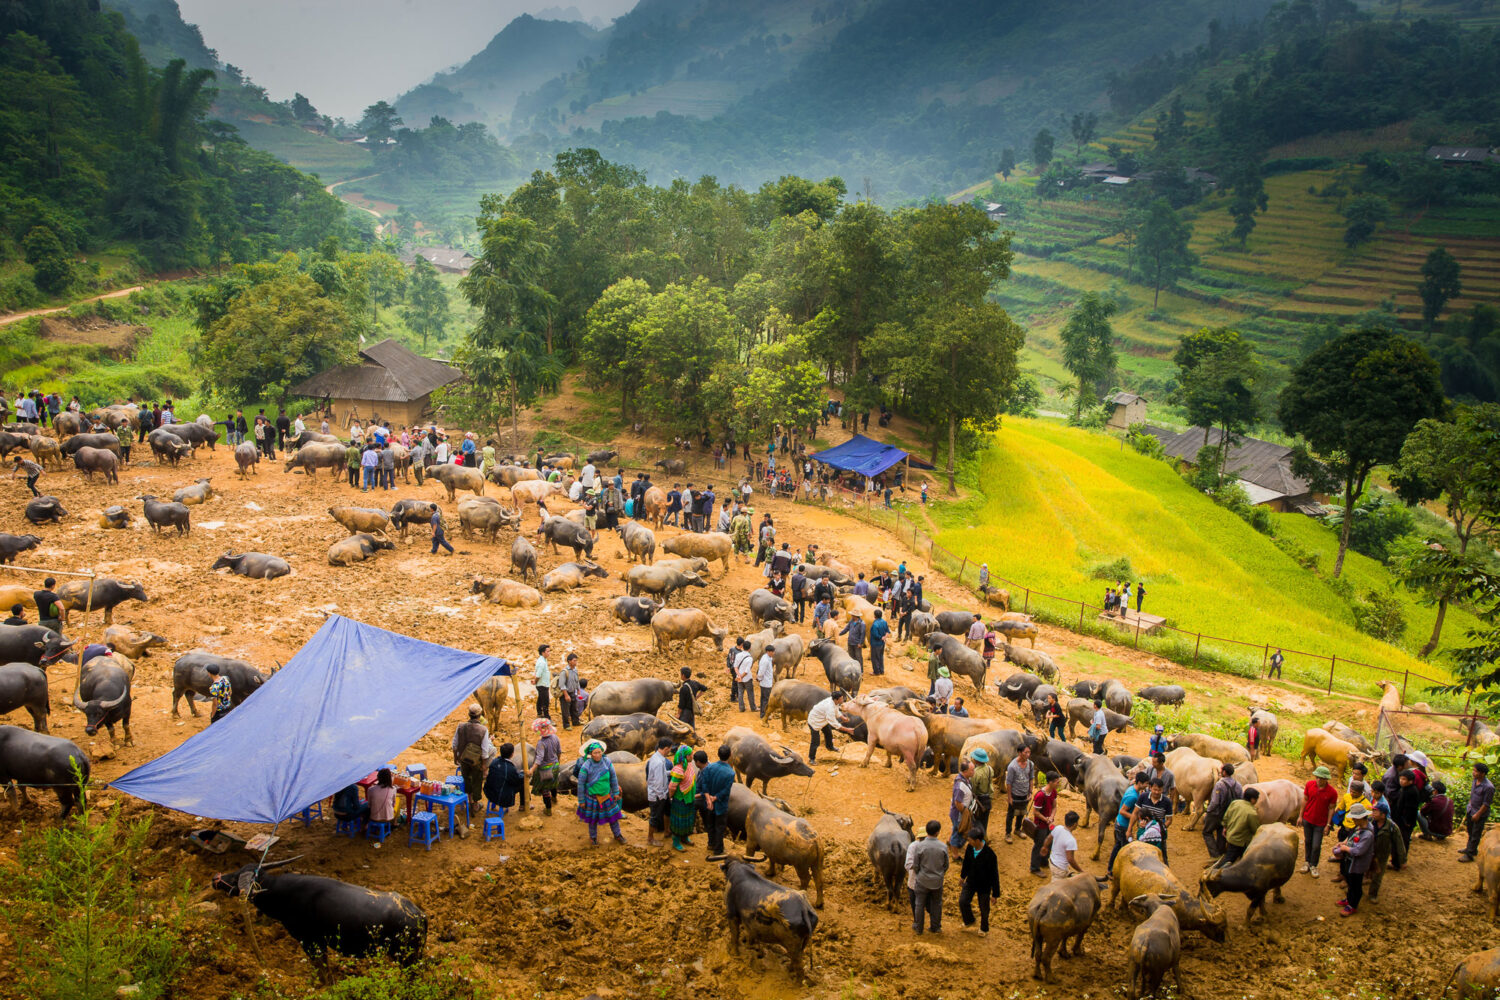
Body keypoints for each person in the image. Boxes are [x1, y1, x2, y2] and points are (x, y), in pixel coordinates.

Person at [575, 741, 626, 845]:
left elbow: (613, 777)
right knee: (592, 820)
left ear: (602, 752)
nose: (598, 755)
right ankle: (593, 837)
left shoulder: (607, 762)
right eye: (595, 753)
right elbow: (580, 784)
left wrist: (616, 791)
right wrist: (581, 800)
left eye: (599, 752)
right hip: (592, 798)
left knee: (613, 817)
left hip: (607, 796)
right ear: (590, 754)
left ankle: (618, 835)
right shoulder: (586, 766)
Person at [1331, 803, 1374, 916]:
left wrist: (1345, 848)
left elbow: (1359, 851)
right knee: (1350, 880)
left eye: (1355, 818)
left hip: (1358, 864)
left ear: (1360, 818)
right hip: (1350, 861)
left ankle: (1353, 905)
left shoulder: (1368, 834)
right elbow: (1351, 836)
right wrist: (1344, 842)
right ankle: (1349, 899)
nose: (1353, 820)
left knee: (1356, 884)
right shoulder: (1358, 827)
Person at [907, 819, 948, 934]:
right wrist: (938, 874)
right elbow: (946, 865)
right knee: (936, 904)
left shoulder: (919, 846)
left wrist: (921, 874)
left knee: (919, 904)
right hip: (937, 881)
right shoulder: (943, 847)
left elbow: (915, 865)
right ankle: (935, 927)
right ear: (937, 832)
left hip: (922, 880)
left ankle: (919, 928)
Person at [452, 705, 493, 816]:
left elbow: (454, 745)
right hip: (476, 761)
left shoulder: (460, 726)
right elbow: (485, 751)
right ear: (480, 716)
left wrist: (456, 758)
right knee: (477, 780)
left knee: (466, 779)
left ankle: (469, 800)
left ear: (469, 715)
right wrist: (484, 765)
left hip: (463, 759)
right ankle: (475, 804)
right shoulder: (483, 730)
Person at [698, 744, 736, 860]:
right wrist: (715, 798)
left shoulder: (710, 767)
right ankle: (718, 849)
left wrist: (708, 797)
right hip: (720, 804)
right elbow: (726, 790)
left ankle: (710, 843)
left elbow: (704, 783)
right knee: (720, 827)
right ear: (730, 755)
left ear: (718, 755)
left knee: (710, 824)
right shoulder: (730, 772)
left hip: (708, 802)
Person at [959, 826, 999, 936]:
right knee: (963, 901)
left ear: (977, 841)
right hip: (971, 881)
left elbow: (994, 875)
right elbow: (966, 863)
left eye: (970, 840)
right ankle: (969, 920)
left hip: (984, 886)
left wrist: (995, 894)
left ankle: (984, 928)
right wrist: (962, 877)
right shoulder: (970, 848)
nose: (968, 841)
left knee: (984, 909)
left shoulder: (990, 855)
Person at [1301, 765, 1339, 877]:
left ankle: (1313, 865)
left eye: (1321, 778)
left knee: (1316, 845)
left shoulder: (1332, 792)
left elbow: (1331, 808)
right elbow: (1305, 800)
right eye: (1317, 777)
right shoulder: (1309, 785)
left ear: (1326, 779)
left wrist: (1328, 824)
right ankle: (1307, 862)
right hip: (1307, 819)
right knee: (1308, 841)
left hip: (1320, 823)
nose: (1318, 780)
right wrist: (1300, 816)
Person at [1109, 772, 1149, 875]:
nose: (1147, 786)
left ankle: (1111, 869)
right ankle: (1116, 871)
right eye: (1145, 784)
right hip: (1123, 826)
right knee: (1124, 850)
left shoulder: (1132, 789)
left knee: (1117, 847)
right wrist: (1135, 818)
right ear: (1139, 783)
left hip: (1120, 823)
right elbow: (1122, 811)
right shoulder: (1133, 796)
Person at [1367, 801, 1407, 903]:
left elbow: (1399, 844)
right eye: (1373, 811)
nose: (1373, 813)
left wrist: (1403, 860)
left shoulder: (1392, 827)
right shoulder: (1370, 822)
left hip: (1382, 855)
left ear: (1383, 815)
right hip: (1368, 853)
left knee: (1378, 876)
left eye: (1375, 812)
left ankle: (1373, 894)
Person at [1202, 762, 1242, 860]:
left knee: (1207, 832)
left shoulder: (1220, 784)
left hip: (1217, 813)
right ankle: (1221, 853)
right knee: (1221, 833)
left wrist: (1208, 811)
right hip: (1230, 814)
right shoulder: (1238, 784)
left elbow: (1215, 802)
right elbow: (1241, 799)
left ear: (1224, 772)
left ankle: (1215, 855)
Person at [1130, 778, 1173, 861]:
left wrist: (1160, 829)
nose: (1157, 792)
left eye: (1159, 790)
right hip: (1143, 830)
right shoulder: (1143, 797)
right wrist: (1129, 829)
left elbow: (1169, 820)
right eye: (1155, 789)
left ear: (1163, 789)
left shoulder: (1167, 801)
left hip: (1158, 835)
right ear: (1150, 788)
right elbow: (1135, 813)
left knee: (1162, 857)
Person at [1461, 762, 1494, 862]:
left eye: (1476, 771)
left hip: (1479, 813)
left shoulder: (1489, 787)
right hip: (1471, 810)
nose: (1473, 773)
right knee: (1470, 831)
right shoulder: (1475, 780)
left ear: (1482, 773)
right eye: (1473, 770)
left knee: (1476, 834)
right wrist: (1469, 807)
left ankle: (1469, 855)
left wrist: (1478, 814)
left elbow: (1486, 804)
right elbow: (1473, 795)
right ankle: (1470, 849)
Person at [667, 745, 699, 851]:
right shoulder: (678, 769)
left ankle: (685, 837)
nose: (692, 756)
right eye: (690, 754)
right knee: (679, 821)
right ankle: (676, 842)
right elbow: (672, 786)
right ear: (685, 756)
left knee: (688, 818)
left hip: (689, 798)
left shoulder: (688, 765)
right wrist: (670, 797)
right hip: (681, 799)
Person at [1004, 744, 1037, 845]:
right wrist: (1009, 797)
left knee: (1022, 812)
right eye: (1025, 752)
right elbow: (1009, 783)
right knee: (1011, 814)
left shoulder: (1030, 764)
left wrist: (1030, 792)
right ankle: (1008, 833)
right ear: (1019, 753)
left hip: (1025, 793)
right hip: (1015, 794)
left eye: (1029, 752)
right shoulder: (1012, 766)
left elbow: (1031, 778)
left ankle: (1018, 829)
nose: (1028, 754)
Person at [1220, 787, 1261, 866]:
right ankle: (1217, 874)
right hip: (1241, 842)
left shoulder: (1235, 803)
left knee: (1230, 858)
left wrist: (1225, 827)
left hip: (1230, 837)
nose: (1256, 801)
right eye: (1256, 799)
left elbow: (1226, 817)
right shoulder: (1252, 813)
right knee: (1230, 861)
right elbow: (1255, 830)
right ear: (1252, 799)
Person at [807, 690, 851, 764]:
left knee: (828, 734)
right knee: (815, 742)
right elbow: (834, 723)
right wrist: (847, 729)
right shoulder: (829, 707)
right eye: (841, 699)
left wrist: (842, 717)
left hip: (823, 720)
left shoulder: (834, 702)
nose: (842, 700)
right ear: (836, 699)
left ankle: (830, 747)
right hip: (815, 722)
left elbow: (836, 711)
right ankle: (811, 759)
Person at [529, 717, 561, 815]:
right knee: (553, 784)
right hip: (555, 765)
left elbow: (539, 758)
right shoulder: (555, 737)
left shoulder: (541, 743)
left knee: (545, 789)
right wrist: (557, 762)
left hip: (545, 769)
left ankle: (548, 809)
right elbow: (559, 752)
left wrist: (532, 769)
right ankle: (554, 798)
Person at [1030, 772, 1060, 876]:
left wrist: (1051, 817)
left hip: (1048, 823)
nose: (1058, 784)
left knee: (1049, 842)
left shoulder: (1053, 792)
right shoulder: (1040, 795)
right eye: (1057, 782)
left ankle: (1044, 860)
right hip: (1041, 825)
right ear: (1050, 782)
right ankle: (1034, 867)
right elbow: (1035, 812)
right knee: (1039, 845)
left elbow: (1054, 806)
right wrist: (1046, 819)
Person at [483, 743, 525, 816]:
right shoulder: (510, 768)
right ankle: (523, 805)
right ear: (512, 754)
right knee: (523, 783)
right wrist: (522, 774)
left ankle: (493, 805)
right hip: (502, 796)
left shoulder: (494, 761)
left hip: (489, 792)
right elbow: (516, 781)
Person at [646, 738, 673, 847]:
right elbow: (657, 782)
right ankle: (650, 838)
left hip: (663, 792)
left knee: (667, 810)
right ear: (666, 749)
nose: (670, 751)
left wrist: (671, 772)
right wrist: (662, 796)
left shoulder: (658, 758)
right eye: (669, 749)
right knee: (655, 816)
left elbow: (662, 773)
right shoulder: (657, 762)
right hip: (658, 795)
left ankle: (667, 830)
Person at [1044, 811, 1085, 881]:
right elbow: (1070, 859)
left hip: (1052, 862)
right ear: (1075, 824)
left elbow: (1048, 838)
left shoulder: (1058, 828)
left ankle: (1067, 873)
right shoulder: (1071, 840)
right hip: (1060, 869)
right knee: (1056, 888)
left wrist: (1044, 847)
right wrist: (1081, 871)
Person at [554, 653, 582, 730]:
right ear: (569, 661)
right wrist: (566, 695)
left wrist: (578, 689)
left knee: (574, 708)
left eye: (576, 661)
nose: (576, 662)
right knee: (565, 710)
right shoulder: (564, 672)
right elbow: (562, 685)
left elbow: (577, 681)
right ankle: (566, 725)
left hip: (573, 692)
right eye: (574, 661)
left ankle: (576, 722)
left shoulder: (575, 670)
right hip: (565, 693)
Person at [368, 768, 397, 834]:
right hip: (388, 818)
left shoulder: (371, 789)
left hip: (374, 817)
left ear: (378, 778)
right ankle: (394, 823)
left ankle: (366, 825)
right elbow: (393, 803)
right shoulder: (393, 789)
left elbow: (369, 805)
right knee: (397, 802)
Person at [732, 638, 756, 713]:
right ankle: (753, 707)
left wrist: (738, 676)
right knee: (750, 693)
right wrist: (742, 676)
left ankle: (741, 708)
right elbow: (747, 671)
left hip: (739, 678)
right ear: (750, 648)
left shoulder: (738, 655)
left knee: (740, 693)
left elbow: (735, 666)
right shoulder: (750, 658)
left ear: (743, 647)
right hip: (747, 678)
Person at [755, 645, 775, 720]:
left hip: (767, 681)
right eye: (772, 652)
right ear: (768, 652)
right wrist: (759, 678)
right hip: (765, 683)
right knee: (765, 699)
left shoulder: (767, 657)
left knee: (764, 698)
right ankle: (763, 715)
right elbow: (761, 671)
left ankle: (763, 713)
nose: (773, 653)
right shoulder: (765, 660)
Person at [533, 645, 552, 720]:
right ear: (543, 652)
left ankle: (539, 714)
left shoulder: (543, 660)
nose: (549, 653)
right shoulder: (542, 662)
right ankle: (547, 717)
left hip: (543, 684)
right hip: (542, 684)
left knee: (540, 699)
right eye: (547, 651)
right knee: (545, 702)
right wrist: (535, 681)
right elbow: (538, 675)